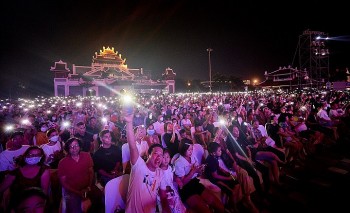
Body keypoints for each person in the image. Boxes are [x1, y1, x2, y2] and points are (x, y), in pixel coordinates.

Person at [123, 111, 168, 213]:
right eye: (156, 153)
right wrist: (129, 123)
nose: (159, 158)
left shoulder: (160, 173)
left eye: (161, 155)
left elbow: (163, 197)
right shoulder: (138, 166)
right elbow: (132, 145)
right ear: (148, 154)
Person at [173, 139, 225, 213]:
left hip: (195, 183)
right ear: (183, 149)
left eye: (192, 149)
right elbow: (182, 183)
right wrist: (193, 171)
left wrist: (200, 170)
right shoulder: (178, 162)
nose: (191, 152)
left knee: (219, 206)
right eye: (189, 150)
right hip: (186, 189)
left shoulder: (192, 156)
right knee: (206, 211)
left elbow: (198, 173)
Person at [0, 146, 50, 212]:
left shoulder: (43, 170)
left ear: (41, 157)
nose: (34, 157)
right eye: (31, 154)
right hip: (17, 206)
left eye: (37, 155)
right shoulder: (16, 172)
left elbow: (44, 191)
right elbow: (1, 188)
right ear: (25, 156)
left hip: (35, 205)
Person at [58, 137, 94, 213]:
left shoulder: (87, 156)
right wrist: (77, 192)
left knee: (99, 199)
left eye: (76, 145)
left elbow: (91, 172)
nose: (74, 148)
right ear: (68, 149)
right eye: (71, 146)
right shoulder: (63, 162)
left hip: (87, 187)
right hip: (72, 191)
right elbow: (63, 183)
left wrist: (88, 187)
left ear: (80, 146)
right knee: (75, 209)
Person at [159, 149, 187, 213]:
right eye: (163, 157)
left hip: (172, 190)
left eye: (167, 157)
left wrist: (177, 180)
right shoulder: (158, 171)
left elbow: (173, 176)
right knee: (167, 207)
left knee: (178, 207)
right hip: (163, 193)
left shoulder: (171, 167)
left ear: (170, 158)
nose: (166, 159)